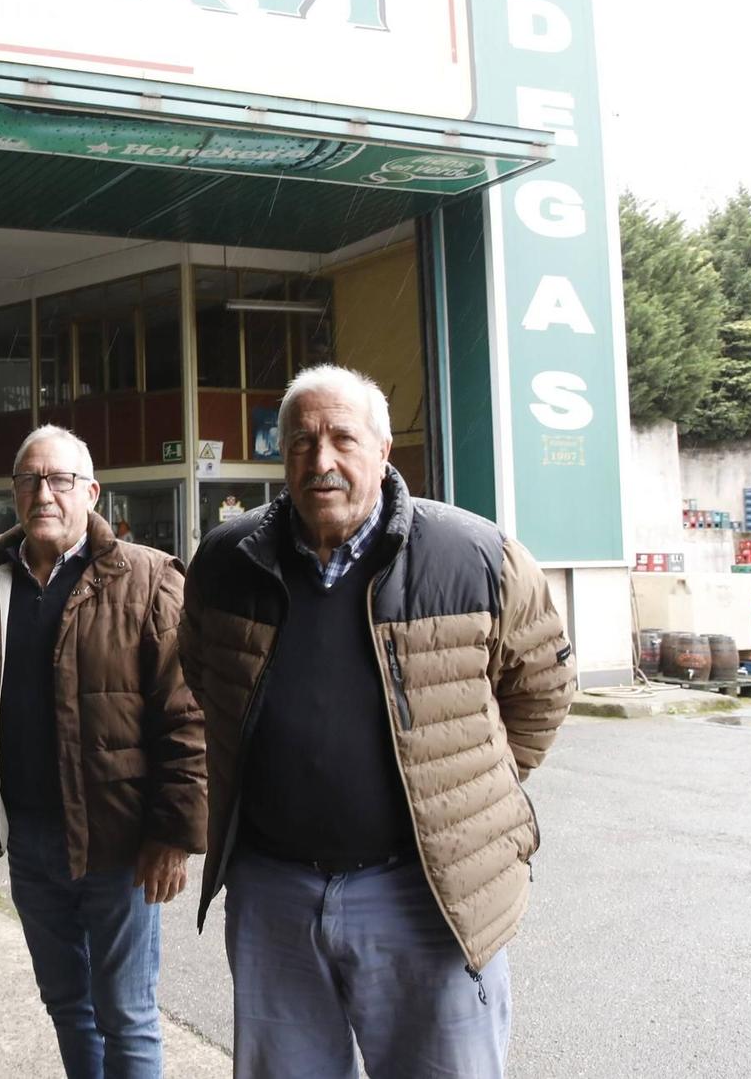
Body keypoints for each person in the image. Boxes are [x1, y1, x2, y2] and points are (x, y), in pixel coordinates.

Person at [180, 364, 576, 1079]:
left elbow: (542, 686)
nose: (321, 459)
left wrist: (464, 786)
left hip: (424, 896)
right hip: (275, 895)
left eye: (342, 438)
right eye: (301, 441)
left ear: (384, 450)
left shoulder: (476, 556)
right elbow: (204, 673)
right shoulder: (224, 560)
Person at [0, 426, 206, 1079]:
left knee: (127, 1013)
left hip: (119, 845)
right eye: (30, 479)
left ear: (90, 491)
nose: (44, 493)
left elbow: (187, 716)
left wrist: (174, 832)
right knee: (66, 1003)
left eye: (59, 479)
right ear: (14, 492)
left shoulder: (148, 579)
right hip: (30, 843)